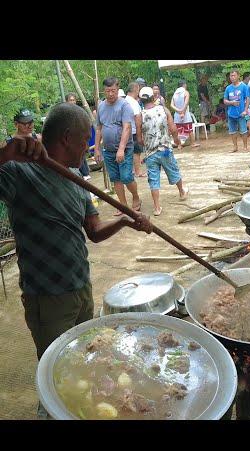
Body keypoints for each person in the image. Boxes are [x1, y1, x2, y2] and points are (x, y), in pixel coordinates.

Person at [0, 103, 153, 363]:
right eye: (85, 140)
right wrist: (5, 154)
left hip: (81, 288)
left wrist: (125, 220)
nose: (87, 146)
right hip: (48, 299)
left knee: (85, 359)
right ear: (67, 138)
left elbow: (93, 231)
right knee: (57, 368)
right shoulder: (19, 172)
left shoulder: (76, 178)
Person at [94, 77, 142, 215]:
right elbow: (99, 128)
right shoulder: (101, 106)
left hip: (124, 149)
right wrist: (97, 149)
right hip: (108, 150)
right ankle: (123, 206)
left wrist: (121, 149)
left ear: (117, 89)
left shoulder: (124, 105)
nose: (110, 94)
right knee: (115, 178)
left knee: (126, 177)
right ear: (104, 90)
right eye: (107, 91)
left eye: (113, 91)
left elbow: (127, 127)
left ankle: (136, 197)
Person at [139, 87, 189, 216]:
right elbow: (173, 130)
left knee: (153, 179)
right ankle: (182, 192)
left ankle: (157, 208)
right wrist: (177, 141)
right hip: (165, 149)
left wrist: (149, 144)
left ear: (141, 100)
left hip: (150, 153)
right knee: (173, 170)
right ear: (153, 98)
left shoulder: (140, 115)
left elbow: (139, 139)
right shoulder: (163, 110)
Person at [65, 94, 91, 180]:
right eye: (70, 100)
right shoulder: (65, 113)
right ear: (67, 101)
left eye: (73, 100)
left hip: (80, 137)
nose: (72, 102)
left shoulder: (80, 111)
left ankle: (85, 174)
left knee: (81, 155)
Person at [224, 69, 250, 153]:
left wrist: (245, 110)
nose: (232, 77)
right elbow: (225, 100)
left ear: (238, 76)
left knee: (243, 130)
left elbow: (248, 98)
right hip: (231, 113)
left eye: (234, 75)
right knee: (232, 131)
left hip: (241, 113)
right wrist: (232, 102)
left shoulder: (243, 86)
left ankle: (245, 147)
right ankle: (235, 147)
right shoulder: (228, 88)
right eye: (231, 76)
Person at [124, 82, 146, 178]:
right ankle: (138, 171)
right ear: (136, 90)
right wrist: (139, 133)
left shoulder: (124, 101)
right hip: (133, 130)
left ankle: (133, 170)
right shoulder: (133, 102)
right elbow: (137, 118)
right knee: (136, 152)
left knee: (129, 151)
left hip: (126, 130)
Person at [170, 80, 200, 148]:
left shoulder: (175, 94)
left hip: (177, 115)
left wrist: (178, 111)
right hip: (185, 114)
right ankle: (193, 143)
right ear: (184, 85)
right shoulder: (186, 92)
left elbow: (171, 105)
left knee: (177, 130)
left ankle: (179, 145)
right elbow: (186, 103)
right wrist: (182, 112)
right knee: (189, 130)